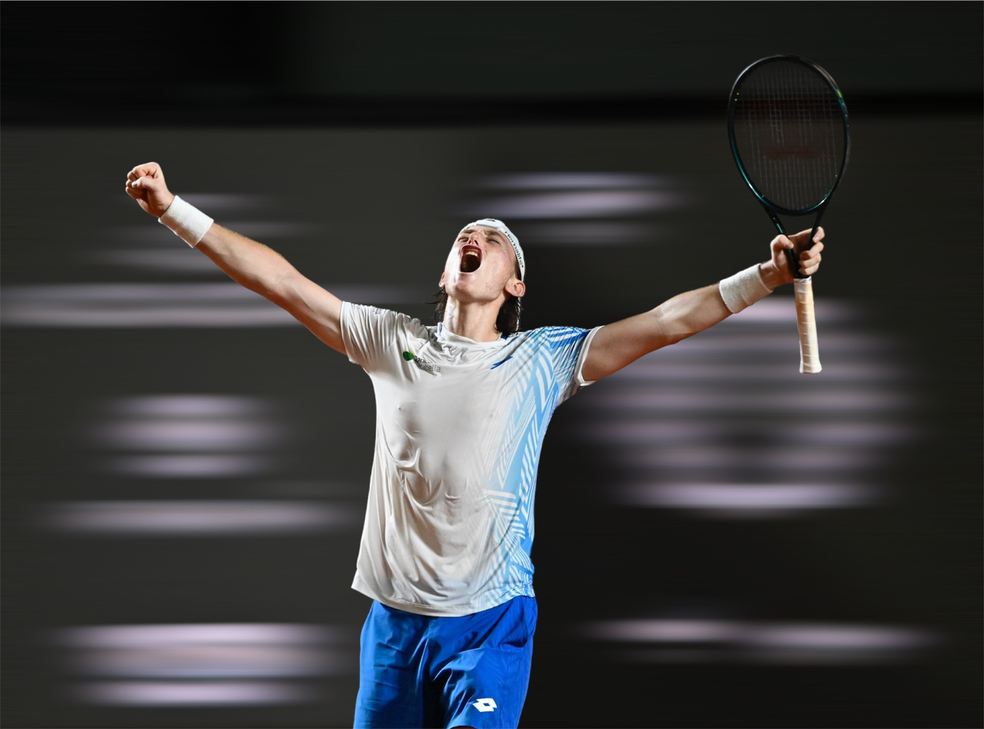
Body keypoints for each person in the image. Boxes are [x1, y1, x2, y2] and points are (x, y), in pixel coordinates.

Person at [125, 161, 823, 729]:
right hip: (395, 622)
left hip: (491, 619)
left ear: (514, 283)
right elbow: (278, 281)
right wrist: (171, 210)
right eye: (468, 233)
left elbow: (667, 321)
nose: (475, 235)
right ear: (444, 276)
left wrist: (767, 275)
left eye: (493, 238)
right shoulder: (390, 342)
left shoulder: (542, 359)